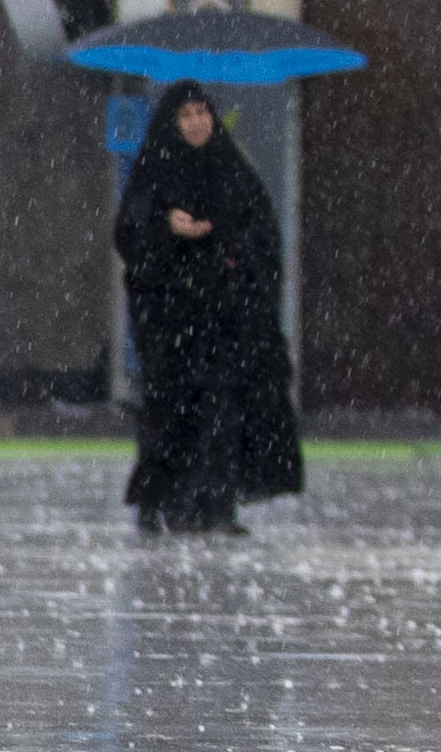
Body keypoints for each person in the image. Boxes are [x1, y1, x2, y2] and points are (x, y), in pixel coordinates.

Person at [115, 80, 304, 536]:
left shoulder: (231, 170)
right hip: (170, 321)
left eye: (202, 113)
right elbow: (129, 233)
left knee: (222, 409)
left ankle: (217, 505)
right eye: (186, 115)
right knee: (173, 409)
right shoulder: (155, 171)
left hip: (224, 319)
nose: (197, 122)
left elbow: (261, 236)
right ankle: (165, 503)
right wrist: (166, 226)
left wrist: (227, 248)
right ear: (171, 123)